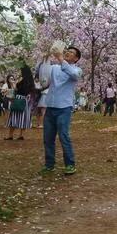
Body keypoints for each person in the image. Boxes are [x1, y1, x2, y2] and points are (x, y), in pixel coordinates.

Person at [42, 46, 82, 175]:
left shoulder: (76, 70)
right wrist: (45, 59)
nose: (67, 53)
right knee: (48, 138)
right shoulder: (55, 68)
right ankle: (49, 165)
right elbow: (43, 77)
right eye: (66, 51)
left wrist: (60, 58)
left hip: (64, 108)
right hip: (51, 106)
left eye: (71, 53)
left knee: (64, 136)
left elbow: (74, 75)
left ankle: (70, 164)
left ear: (76, 58)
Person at [4, 65, 35, 141]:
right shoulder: (31, 81)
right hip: (25, 101)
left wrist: (12, 84)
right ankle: (21, 135)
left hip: (18, 99)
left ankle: (10, 135)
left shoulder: (22, 80)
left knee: (14, 117)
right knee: (23, 118)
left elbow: (16, 90)